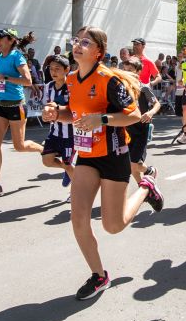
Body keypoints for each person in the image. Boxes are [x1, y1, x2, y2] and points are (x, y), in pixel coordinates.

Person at [41, 27, 164, 301]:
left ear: (99, 51)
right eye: (77, 40)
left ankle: (145, 187)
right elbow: (73, 113)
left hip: (114, 155)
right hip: (86, 155)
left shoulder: (108, 79)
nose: (79, 45)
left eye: (86, 42)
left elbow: (132, 115)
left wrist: (102, 119)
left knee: (113, 225)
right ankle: (99, 275)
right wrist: (55, 114)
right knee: (78, 219)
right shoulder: (71, 79)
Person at [0, 29, 42, 198]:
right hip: (0, 104)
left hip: (16, 105)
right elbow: (0, 81)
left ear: (10, 40)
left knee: (19, 146)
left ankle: (43, 148)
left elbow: (27, 81)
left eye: (0, 39)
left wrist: (4, 78)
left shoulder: (17, 57)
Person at [25, 54, 74, 202]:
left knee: (68, 163)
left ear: (67, 70)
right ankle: (69, 170)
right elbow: (47, 106)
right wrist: (45, 115)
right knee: (47, 161)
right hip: (54, 131)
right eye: (51, 69)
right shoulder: (48, 86)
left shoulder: (72, 86)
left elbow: (75, 108)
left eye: (57, 69)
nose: (53, 72)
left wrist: (59, 108)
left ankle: (76, 192)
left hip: (70, 134)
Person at [122, 57, 161, 189]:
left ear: (139, 71)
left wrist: (150, 113)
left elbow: (157, 104)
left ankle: (149, 171)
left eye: (131, 70)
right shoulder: (122, 89)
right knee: (131, 164)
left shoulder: (143, 88)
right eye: (125, 70)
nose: (127, 72)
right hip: (125, 130)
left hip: (140, 131)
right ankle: (143, 186)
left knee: (132, 164)